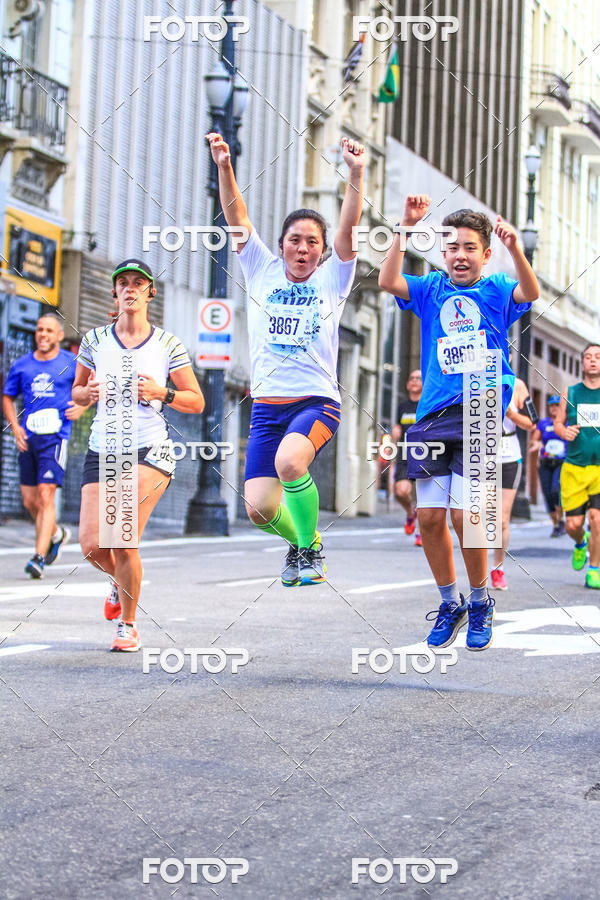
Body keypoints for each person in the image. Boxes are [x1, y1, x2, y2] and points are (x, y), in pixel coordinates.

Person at [206, 131, 364, 587]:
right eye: (295, 240)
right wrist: (224, 166)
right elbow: (236, 216)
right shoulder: (261, 269)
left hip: (315, 402)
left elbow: (348, 230)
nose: (303, 249)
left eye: (312, 242)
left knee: (292, 464)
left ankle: (311, 547)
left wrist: (355, 174)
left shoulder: (334, 277)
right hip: (267, 406)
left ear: (322, 249)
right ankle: (302, 544)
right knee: (258, 508)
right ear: (280, 246)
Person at [379, 200, 539, 650]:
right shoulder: (430, 289)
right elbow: (388, 279)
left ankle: (482, 600)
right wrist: (406, 228)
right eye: (452, 248)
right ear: (442, 253)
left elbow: (532, 293)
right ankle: (452, 603)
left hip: (482, 408)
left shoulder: (496, 290)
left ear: (485, 254)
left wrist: (516, 249)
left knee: (467, 517)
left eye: (471, 248)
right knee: (429, 517)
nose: (460, 255)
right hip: (433, 416)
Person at [72, 260, 205, 651]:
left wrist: (160, 393)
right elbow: (77, 392)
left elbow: (196, 401)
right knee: (93, 546)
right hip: (102, 447)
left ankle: (127, 625)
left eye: (138, 284)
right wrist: (87, 395)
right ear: (115, 293)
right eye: (123, 283)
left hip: (150, 449)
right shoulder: (95, 340)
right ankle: (119, 582)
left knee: (121, 536)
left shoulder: (167, 344)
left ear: (150, 293)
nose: (130, 289)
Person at [2, 312, 89, 578]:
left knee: (45, 494)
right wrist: (15, 427)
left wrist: (83, 407)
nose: (43, 334)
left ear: (59, 336)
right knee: (30, 501)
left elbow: (91, 388)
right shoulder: (22, 365)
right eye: (39, 330)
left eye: (49, 331)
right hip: (29, 438)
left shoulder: (70, 363)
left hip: (56, 436)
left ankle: (38, 558)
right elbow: (7, 396)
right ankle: (57, 533)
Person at [554, 344, 600, 589]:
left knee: (597, 519)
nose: (593, 361)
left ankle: (594, 569)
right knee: (573, 525)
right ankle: (580, 543)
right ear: (582, 363)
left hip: (599, 469)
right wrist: (565, 431)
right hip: (574, 467)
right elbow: (558, 424)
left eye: (598, 357)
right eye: (589, 357)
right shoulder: (570, 392)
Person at [490, 376, 536, 591]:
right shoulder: (473, 378)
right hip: (479, 455)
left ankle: (497, 568)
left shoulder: (516, 385)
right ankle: (478, 568)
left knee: (501, 520)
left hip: (508, 455)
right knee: (479, 516)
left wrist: (509, 413)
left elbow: (531, 422)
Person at [391, 369, 423, 545]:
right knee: (401, 491)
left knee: (424, 498)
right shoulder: (402, 407)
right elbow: (397, 426)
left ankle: (421, 533)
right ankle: (411, 514)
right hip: (404, 454)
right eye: (412, 378)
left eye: (419, 378)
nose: (415, 381)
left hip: (426, 454)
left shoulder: (427, 404)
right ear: (407, 384)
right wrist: (395, 432)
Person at [531, 395, 567, 537]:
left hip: (561, 462)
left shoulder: (567, 423)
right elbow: (535, 440)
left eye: (556, 405)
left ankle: (561, 518)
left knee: (555, 490)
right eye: (551, 405)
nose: (554, 408)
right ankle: (557, 524)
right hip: (545, 463)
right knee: (547, 494)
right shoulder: (543, 423)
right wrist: (536, 445)